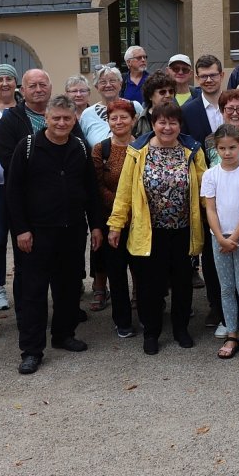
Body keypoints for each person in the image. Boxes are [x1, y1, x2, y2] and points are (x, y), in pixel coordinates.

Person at [5, 95, 103, 374]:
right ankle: (32, 350)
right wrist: (21, 230)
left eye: (67, 118)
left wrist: (95, 225)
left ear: (74, 120)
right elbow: (13, 193)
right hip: (36, 234)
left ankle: (63, 335)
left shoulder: (80, 147)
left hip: (72, 231)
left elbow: (92, 192)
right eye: (56, 118)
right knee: (33, 293)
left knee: (70, 287)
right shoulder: (27, 147)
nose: (61, 123)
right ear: (46, 118)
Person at [106, 101, 207, 356]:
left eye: (173, 122)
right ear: (153, 124)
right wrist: (116, 224)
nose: (167, 127)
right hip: (150, 230)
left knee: (183, 283)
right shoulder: (137, 150)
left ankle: (181, 329)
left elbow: (206, 188)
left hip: (183, 230)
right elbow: (125, 192)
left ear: (179, 124)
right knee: (150, 285)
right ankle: (151, 332)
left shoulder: (192, 150)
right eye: (162, 122)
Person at [203, 123, 239, 360]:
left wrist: (235, 237)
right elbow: (210, 209)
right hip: (218, 236)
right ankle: (231, 333)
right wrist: (220, 236)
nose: (227, 153)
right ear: (216, 149)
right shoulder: (210, 175)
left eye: (232, 148)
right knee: (226, 288)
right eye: (222, 148)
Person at [180, 54, 226, 324]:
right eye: (203, 76)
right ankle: (215, 304)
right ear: (198, 79)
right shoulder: (188, 111)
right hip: (205, 187)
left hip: (236, 187)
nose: (209, 79)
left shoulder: (233, 104)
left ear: (221, 75)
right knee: (210, 251)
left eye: (213, 74)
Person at [91, 98, 138, 338]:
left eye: (124, 117)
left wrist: (132, 207)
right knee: (117, 273)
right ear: (108, 121)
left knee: (141, 272)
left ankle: (146, 313)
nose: (119, 122)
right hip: (112, 222)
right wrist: (121, 206)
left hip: (140, 221)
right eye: (114, 118)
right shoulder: (101, 149)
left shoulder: (142, 146)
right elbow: (96, 185)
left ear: (133, 120)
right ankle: (122, 321)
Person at [82, 66, 141, 147]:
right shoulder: (87, 114)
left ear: (120, 84)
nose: (108, 85)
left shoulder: (134, 106)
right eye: (103, 82)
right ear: (97, 87)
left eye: (112, 81)